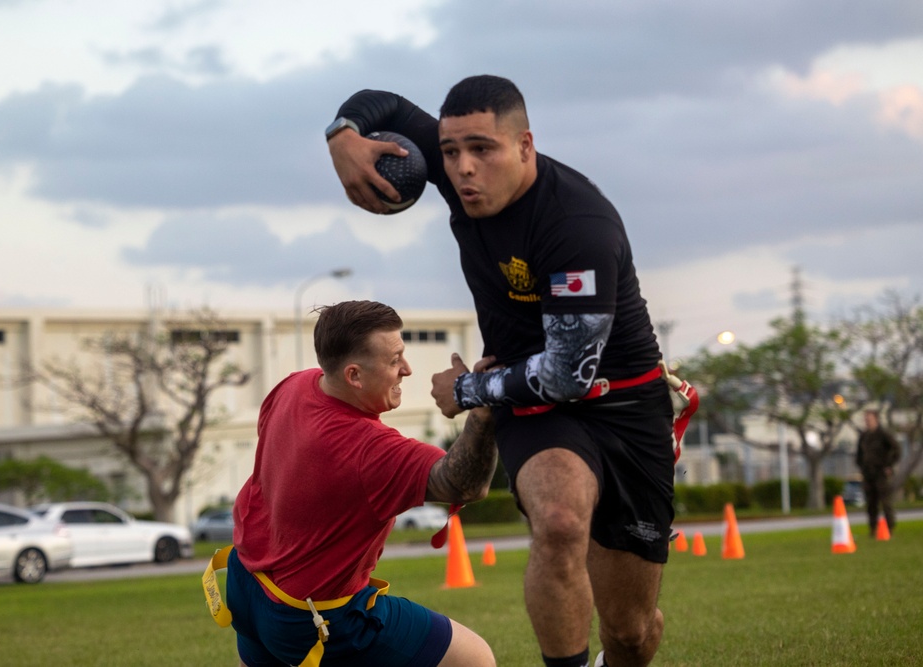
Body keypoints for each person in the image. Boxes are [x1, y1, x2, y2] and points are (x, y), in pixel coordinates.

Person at [327, 76, 676, 667]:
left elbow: (568, 372)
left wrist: (465, 390)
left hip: (623, 404)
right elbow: (378, 104)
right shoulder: (453, 161)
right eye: (451, 150)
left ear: (524, 146)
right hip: (532, 402)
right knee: (560, 522)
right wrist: (343, 137)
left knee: (631, 631)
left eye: (482, 149)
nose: (463, 168)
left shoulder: (577, 226)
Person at [223, 300, 499, 667]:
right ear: (354, 375)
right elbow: (465, 484)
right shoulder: (369, 451)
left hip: (245, 584)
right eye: (394, 359)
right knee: (475, 659)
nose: (407, 369)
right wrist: (484, 405)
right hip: (308, 618)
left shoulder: (293, 385)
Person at [855, 409, 901, 537]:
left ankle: (889, 527)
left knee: (885, 501)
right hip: (868, 473)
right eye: (866, 419)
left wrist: (889, 465)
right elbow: (859, 454)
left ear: (876, 419)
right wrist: (861, 466)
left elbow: (896, 449)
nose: (867, 422)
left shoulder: (883, 434)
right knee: (871, 502)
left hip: (881, 472)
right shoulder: (864, 436)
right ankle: (873, 528)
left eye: (869, 419)